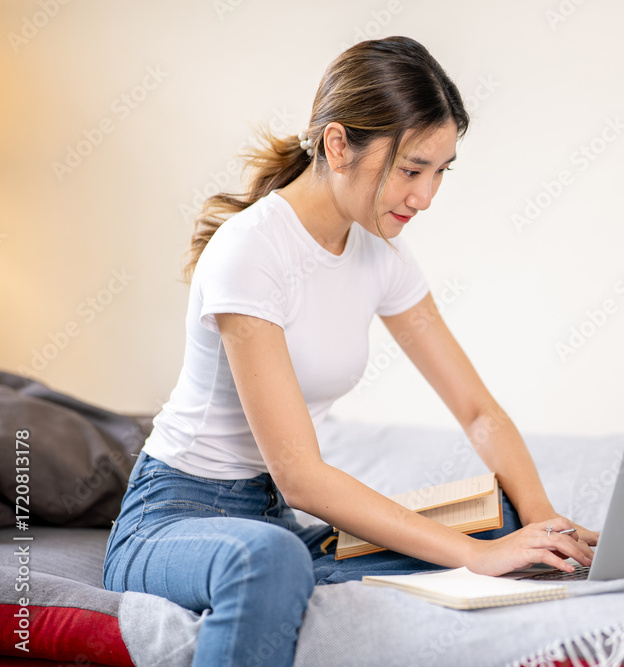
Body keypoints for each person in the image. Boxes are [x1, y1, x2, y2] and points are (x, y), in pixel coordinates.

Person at [103, 36, 598, 666]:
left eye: (440, 171)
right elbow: (302, 476)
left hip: (272, 521)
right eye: (412, 169)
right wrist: (473, 558)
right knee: (272, 559)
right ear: (338, 146)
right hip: (174, 521)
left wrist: (543, 524)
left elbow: (478, 412)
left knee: (499, 518)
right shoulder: (251, 250)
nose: (425, 196)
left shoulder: (378, 253)